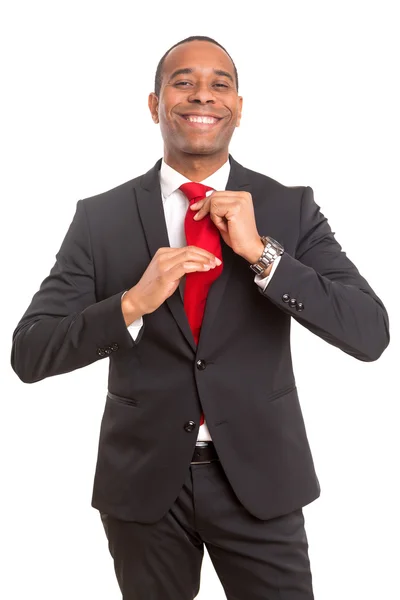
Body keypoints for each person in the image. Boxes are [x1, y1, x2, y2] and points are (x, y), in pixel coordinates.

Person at [11, 35, 390, 600]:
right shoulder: (100, 217)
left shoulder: (289, 206)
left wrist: (263, 254)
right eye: (183, 81)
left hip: (261, 481)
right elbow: (30, 352)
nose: (202, 96)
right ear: (154, 103)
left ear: (238, 107)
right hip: (142, 486)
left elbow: (370, 332)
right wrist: (132, 303)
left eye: (220, 84)